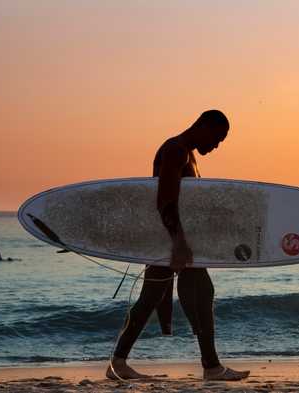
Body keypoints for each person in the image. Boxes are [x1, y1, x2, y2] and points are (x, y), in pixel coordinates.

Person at [107, 110, 250, 381]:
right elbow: (165, 200)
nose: (217, 145)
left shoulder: (187, 153)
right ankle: (211, 366)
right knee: (201, 292)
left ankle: (118, 363)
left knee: (151, 299)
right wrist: (179, 243)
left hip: (171, 239)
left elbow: (189, 204)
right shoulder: (176, 150)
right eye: (217, 138)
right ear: (204, 126)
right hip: (173, 240)